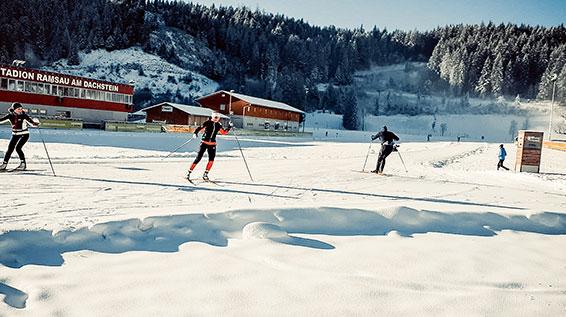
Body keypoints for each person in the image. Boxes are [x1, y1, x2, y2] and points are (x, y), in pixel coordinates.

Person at [187, 113, 232, 180]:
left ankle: (205, 174)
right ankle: (189, 172)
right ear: (212, 117)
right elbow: (200, 128)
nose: (216, 119)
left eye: (217, 118)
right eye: (215, 117)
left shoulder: (218, 125)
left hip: (212, 144)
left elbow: (223, 132)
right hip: (204, 143)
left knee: (211, 160)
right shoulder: (207, 122)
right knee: (198, 158)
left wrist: (229, 126)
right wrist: (195, 133)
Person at [0, 103, 40, 171]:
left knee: (18, 148)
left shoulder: (24, 116)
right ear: (14, 109)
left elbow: (32, 123)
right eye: (18, 109)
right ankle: (4, 164)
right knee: (10, 149)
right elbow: (1, 120)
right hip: (15, 134)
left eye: (21, 109)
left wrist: (35, 123)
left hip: (24, 134)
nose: (20, 110)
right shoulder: (10, 116)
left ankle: (23, 164)